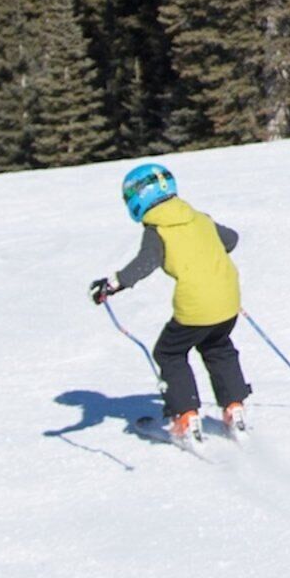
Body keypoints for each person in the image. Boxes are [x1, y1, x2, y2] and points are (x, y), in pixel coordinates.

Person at [88, 161, 249, 439]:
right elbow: (231, 239)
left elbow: (144, 263)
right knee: (217, 346)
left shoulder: (157, 229)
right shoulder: (199, 217)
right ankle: (234, 409)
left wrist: (112, 285)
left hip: (197, 305)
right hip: (228, 298)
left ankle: (186, 417)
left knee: (169, 353)